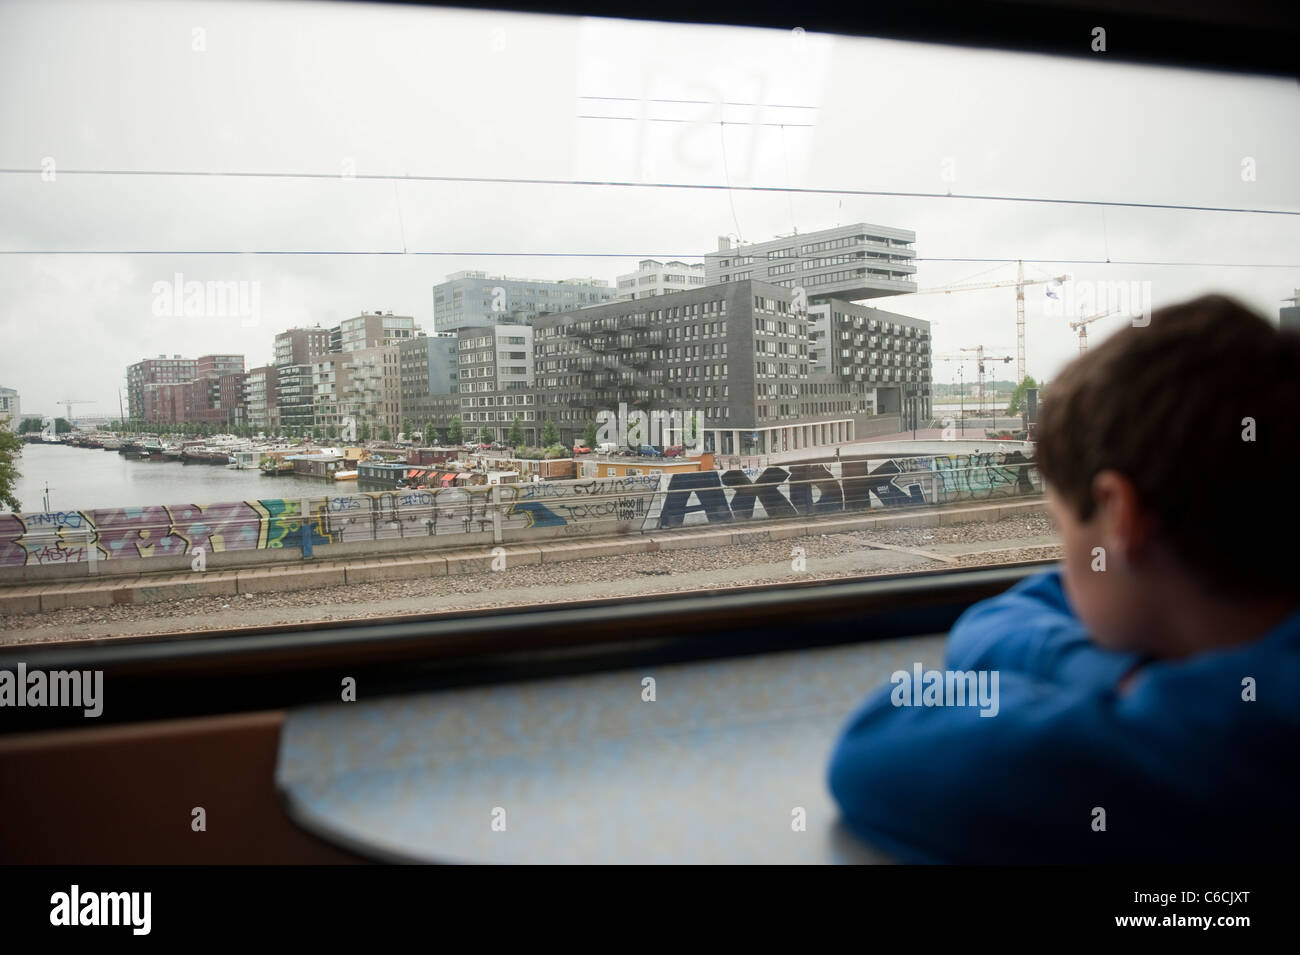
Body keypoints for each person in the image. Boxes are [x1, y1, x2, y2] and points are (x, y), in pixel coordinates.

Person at [827, 295, 1300, 862]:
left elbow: (879, 742)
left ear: (1119, 515)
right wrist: (1126, 677)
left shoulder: (1213, 746)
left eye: (1061, 525)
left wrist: (1126, 685)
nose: (1064, 566)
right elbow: (1006, 616)